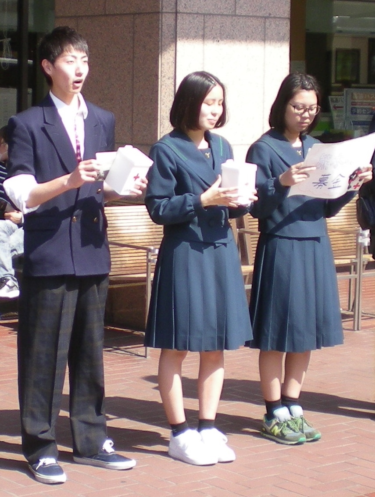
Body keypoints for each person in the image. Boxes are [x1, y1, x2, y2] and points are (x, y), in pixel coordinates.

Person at [4, 26, 146, 484]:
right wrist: (69, 179)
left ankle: (92, 439)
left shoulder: (102, 119)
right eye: (69, 60)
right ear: (48, 67)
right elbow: (22, 193)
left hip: (91, 248)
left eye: (84, 60)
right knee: (43, 354)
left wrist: (122, 187)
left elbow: (99, 187)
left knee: (89, 353)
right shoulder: (27, 123)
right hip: (48, 251)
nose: (79, 69)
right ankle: (40, 445)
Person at [246, 73, 372, 445]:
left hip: (315, 242)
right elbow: (257, 207)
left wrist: (352, 186)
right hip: (281, 242)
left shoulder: (317, 147)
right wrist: (281, 181)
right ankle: (272, 411)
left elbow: (327, 207)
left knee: (304, 332)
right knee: (274, 333)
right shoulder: (264, 149)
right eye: (298, 107)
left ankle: (293, 404)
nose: (305, 114)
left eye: (312, 108)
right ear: (282, 105)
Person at [145, 71, 256, 466]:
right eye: (208, 102)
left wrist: (243, 198)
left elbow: (227, 198)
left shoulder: (221, 144)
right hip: (185, 250)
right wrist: (203, 199)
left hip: (221, 248)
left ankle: (208, 425)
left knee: (215, 344)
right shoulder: (167, 149)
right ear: (188, 103)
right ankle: (179, 432)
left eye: (220, 103)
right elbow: (158, 208)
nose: (215, 109)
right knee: (177, 343)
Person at [0, 125, 24, 299]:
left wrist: (23, 216)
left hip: (29, 226)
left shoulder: (28, 171)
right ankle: (8, 280)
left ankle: (7, 280)